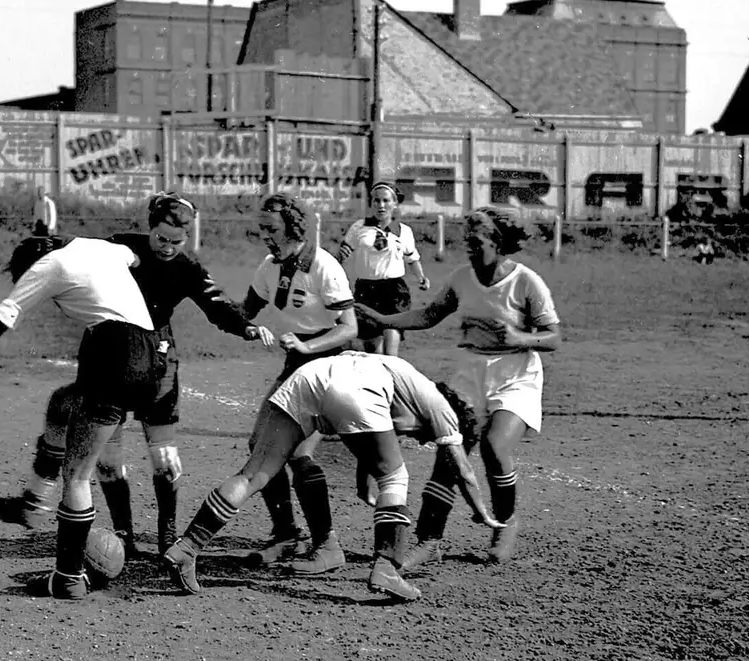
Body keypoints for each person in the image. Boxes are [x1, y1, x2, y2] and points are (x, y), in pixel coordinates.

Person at [0, 193, 272, 560]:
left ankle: (167, 537)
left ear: (187, 238)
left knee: (165, 460)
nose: (167, 247)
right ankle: (124, 535)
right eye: (161, 239)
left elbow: (218, 306)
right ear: (150, 228)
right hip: (107, 355)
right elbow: (77, 255)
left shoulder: (187, 267)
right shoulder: (120, 248)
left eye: (176, 241)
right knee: (106, 457)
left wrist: (246, 328)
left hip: (159, 360)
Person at [0, 234, 163, 600]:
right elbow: (137, 259)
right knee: (63, 405)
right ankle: (32, 502)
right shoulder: (99, 246)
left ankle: (67, 577)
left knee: (78, 475)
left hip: (112, 351)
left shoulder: (49, 266)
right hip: (149, 356)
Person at [162, 351, 504, 602]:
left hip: (309, 377)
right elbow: (463, 468)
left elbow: (362, 434)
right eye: (426, 438)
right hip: (352, 390)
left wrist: (362, 481)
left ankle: (188, 547)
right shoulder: (443, 408)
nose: (421, 441)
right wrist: (482, 512)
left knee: (253, 475)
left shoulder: (402, 382)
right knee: (396, 477)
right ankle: (387, 567)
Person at [357, 206, 561, 569]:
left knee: (495, 446)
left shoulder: (526, 282)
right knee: (450, 449)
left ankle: (505, 521)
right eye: (466, 240)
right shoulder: (461, 278)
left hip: (516, 374)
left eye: (476, 240)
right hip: (470, 371)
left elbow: (553, 336)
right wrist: (384, 319)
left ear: (498, 243)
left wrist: (519, 336)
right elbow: (430, 315)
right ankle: (429, 540)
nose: (468, 246)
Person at [239, 193, 358, 574]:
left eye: (271, 229)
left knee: (297, 453)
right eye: (262, 229)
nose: (266, 236)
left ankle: (328, 546)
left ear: (293, 227)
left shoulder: (324, 266)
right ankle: (287, 534)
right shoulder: (270, 265)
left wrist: (307, 345)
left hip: (327, 365)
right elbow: (246, 310)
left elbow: (349, 328)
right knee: (260, 444)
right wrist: (240, 323)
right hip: (296, 363)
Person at [335, 181, 430, 356]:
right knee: (372, 350)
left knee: (390, 346)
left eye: (386, 201)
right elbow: (341, 255)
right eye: (376, 201)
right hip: (366, 290)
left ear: (395, 204)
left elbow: (412, 258)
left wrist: (421, 277)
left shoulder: (404, 231)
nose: (381, 205)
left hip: (394, 291)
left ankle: (393, 376)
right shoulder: (359, 227)